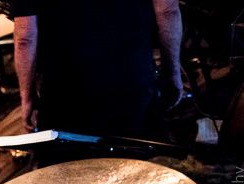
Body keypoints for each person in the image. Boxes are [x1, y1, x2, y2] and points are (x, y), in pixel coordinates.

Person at [11, 0, 184, 136]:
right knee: (142, 162)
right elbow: (168, 11)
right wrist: (173, 74)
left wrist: (27, 97)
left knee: (69, 165)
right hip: (132, 82)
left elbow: (25, 37)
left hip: (66, 91)